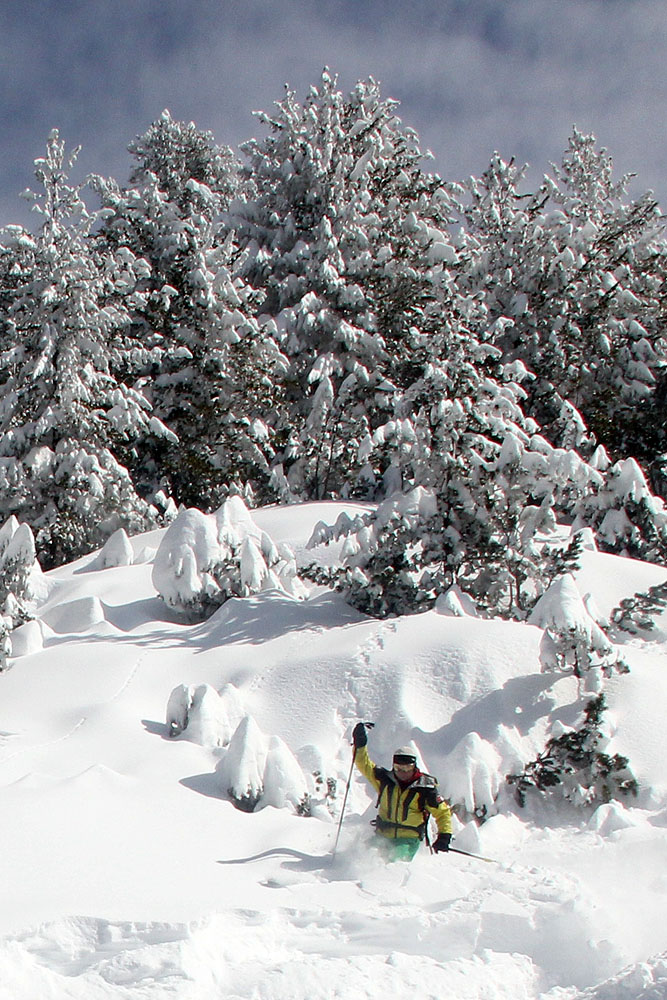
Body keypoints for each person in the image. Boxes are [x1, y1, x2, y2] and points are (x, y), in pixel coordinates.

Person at [352, 722, 452, 861]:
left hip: (407, 841)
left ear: (414, 767)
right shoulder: (385, 780)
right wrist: (360, 745)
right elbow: (363, 764)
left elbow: (442, 813)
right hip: (382, 836)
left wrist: (444, 836)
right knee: (360, 856)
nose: (403, 772)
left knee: (393, 860)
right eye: (398, 768)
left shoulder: (425, 789)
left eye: (407, 768)